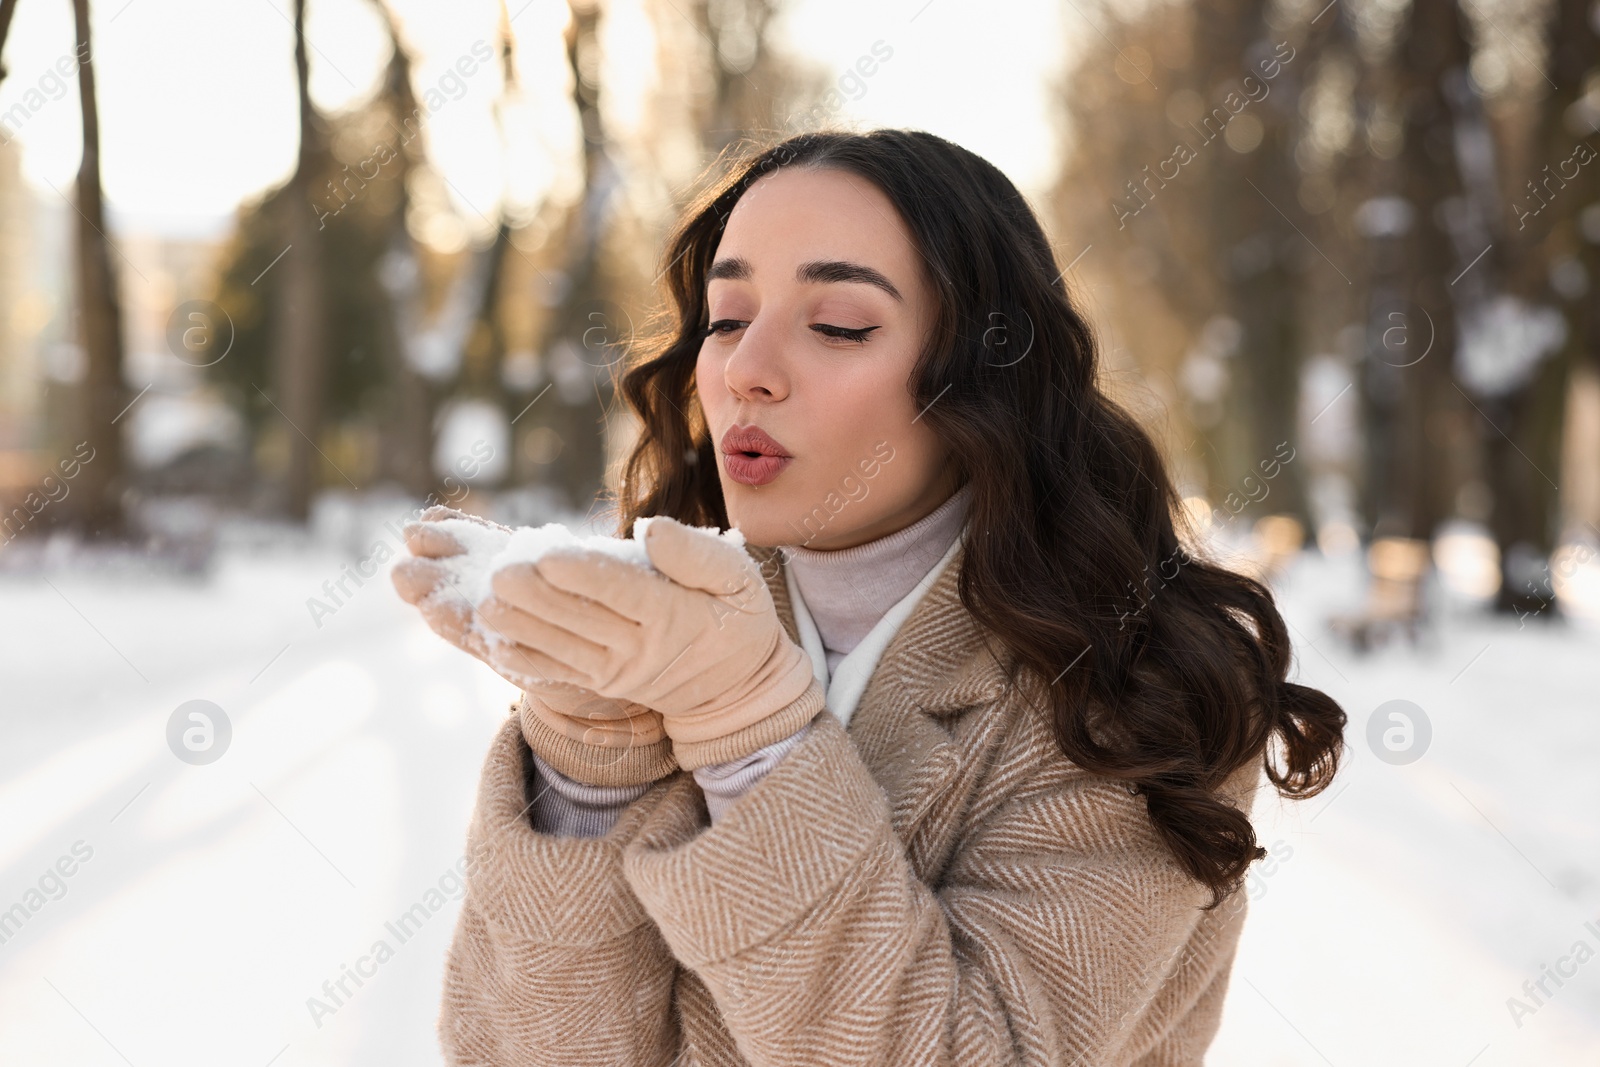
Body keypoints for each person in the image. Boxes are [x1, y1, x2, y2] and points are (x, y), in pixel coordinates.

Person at [392, 128, 1347, 1066]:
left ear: (985, 371)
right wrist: (588, 762)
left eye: (839, 324)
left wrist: (751, 733)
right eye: (726, 320)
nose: (745, 370)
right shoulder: (666, 627)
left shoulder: (1135, 682)